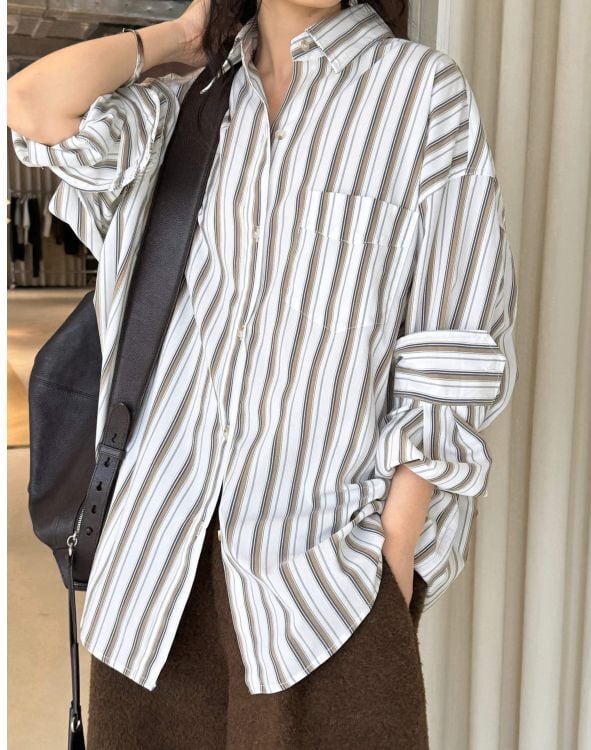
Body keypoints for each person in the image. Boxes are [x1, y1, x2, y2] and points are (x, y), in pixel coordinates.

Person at [7, 0, 518, 747]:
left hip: (326, 582)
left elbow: (456, 342)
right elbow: (31, 106)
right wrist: (183, 34)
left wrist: (392, 556)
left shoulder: (421, 93)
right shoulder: (191, 103)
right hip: (157, 569)